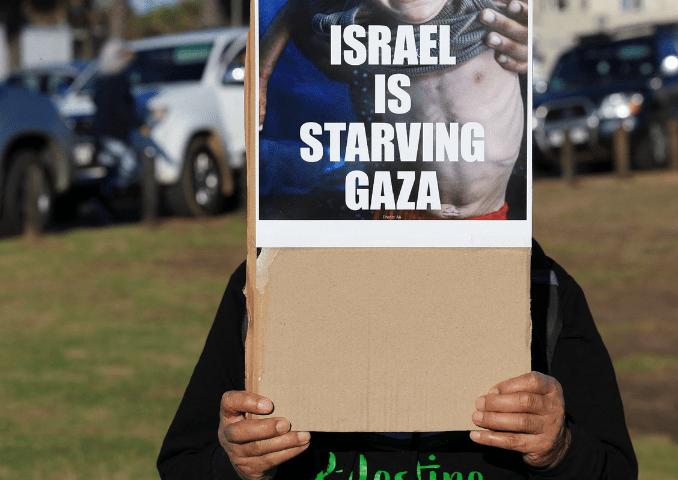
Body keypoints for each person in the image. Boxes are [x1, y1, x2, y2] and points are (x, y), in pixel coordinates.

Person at [156, 238, 638, 479]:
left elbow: (615, 469)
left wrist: (560, 451)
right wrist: (235, 465)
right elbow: (183, 463)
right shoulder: (269, 280)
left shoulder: (539, 288)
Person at [259, 0, 531, 220]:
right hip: (402, 212)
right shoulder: (363, 20)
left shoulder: (496, 12)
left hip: (489, 214)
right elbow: (294, 11)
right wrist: (260, 77)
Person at [89, 38, 160, 199]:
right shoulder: (119, 80)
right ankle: (107, 197)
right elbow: (122, 109)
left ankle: (106, 202)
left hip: (100, 133)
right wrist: (140, 124)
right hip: (114, 133)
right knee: (130, 165)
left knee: (111, 169)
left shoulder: (99, 81)